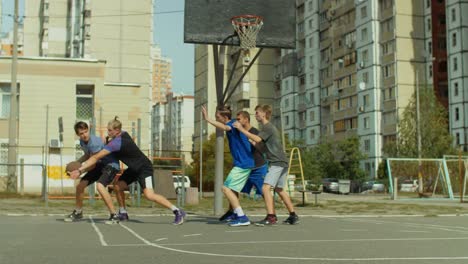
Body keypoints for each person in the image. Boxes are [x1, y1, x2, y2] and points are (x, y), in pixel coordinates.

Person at [69, 117, 186, 225]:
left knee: (149, 195)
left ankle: (177, 211)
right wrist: (108, 138)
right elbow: (110, 138)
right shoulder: (122, 135)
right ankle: (123, 212)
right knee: (118, 186)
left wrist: (80, 170)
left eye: (110, 130)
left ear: (117, 130)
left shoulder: (117, 143)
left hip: (145, 168)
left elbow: (95, 157)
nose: (108, 133)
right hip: (134, 168)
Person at [233, 104, 299, 225]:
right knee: (279, 189)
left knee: (265, 188)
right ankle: (293, 215)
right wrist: (253, 143)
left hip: (277, 162)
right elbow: (263, 148)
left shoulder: (267, 127)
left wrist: (241, 130)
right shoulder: (267, 128)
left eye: (257, 112)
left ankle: (271, 216)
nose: (256, 115)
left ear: (263, 114)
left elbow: (258, 139)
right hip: (282, 161)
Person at [202, 105, 254, 226]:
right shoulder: (234, 124)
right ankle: (235, 213)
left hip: (243, 164)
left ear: (225, 117)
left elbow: (225, 127)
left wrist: (208, 119)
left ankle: (242, 216)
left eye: (218, 117)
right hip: (243, 163)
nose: (217, 119)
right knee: (233, 190)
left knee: (226, 188)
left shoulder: (233, 124)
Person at [64, 121, 121, 224]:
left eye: (86, 132)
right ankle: (78, 212)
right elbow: (88, 155)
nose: (84, 135)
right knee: (80, 185)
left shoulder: (94, 142)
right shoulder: (82, 142)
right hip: (99, 165)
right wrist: (77, 163)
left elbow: (93, 162)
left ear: (88, 130)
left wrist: (79, 171)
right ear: (78, 135)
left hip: (110, 165)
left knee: (100, 186)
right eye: (81, 133)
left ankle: (114, 215)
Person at [219, 111, 267, 222]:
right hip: (244, 165)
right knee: (232, 188)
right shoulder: (236, 129)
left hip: (257, 166)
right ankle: (233, 212)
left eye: (239, 119)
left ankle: (271, 214)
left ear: (246, 119)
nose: (237, 120)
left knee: (263, 190)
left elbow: (263, 148)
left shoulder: (253, 132)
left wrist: (252, 143)